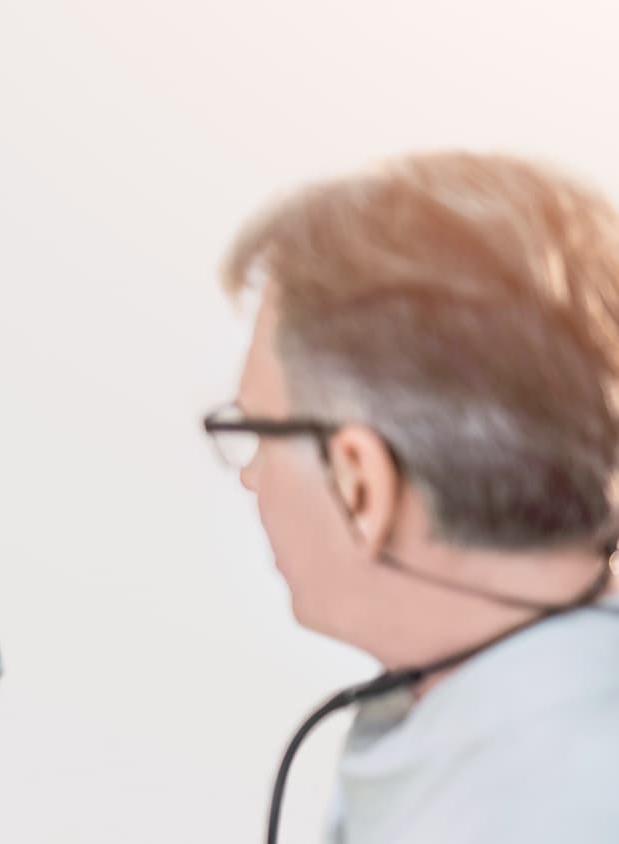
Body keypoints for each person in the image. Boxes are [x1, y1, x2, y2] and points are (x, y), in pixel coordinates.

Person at [205, 151, 619, 843]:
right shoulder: (459, 725)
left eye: (256, 433)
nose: (249, 476)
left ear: (360, 483)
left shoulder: (541, 801)